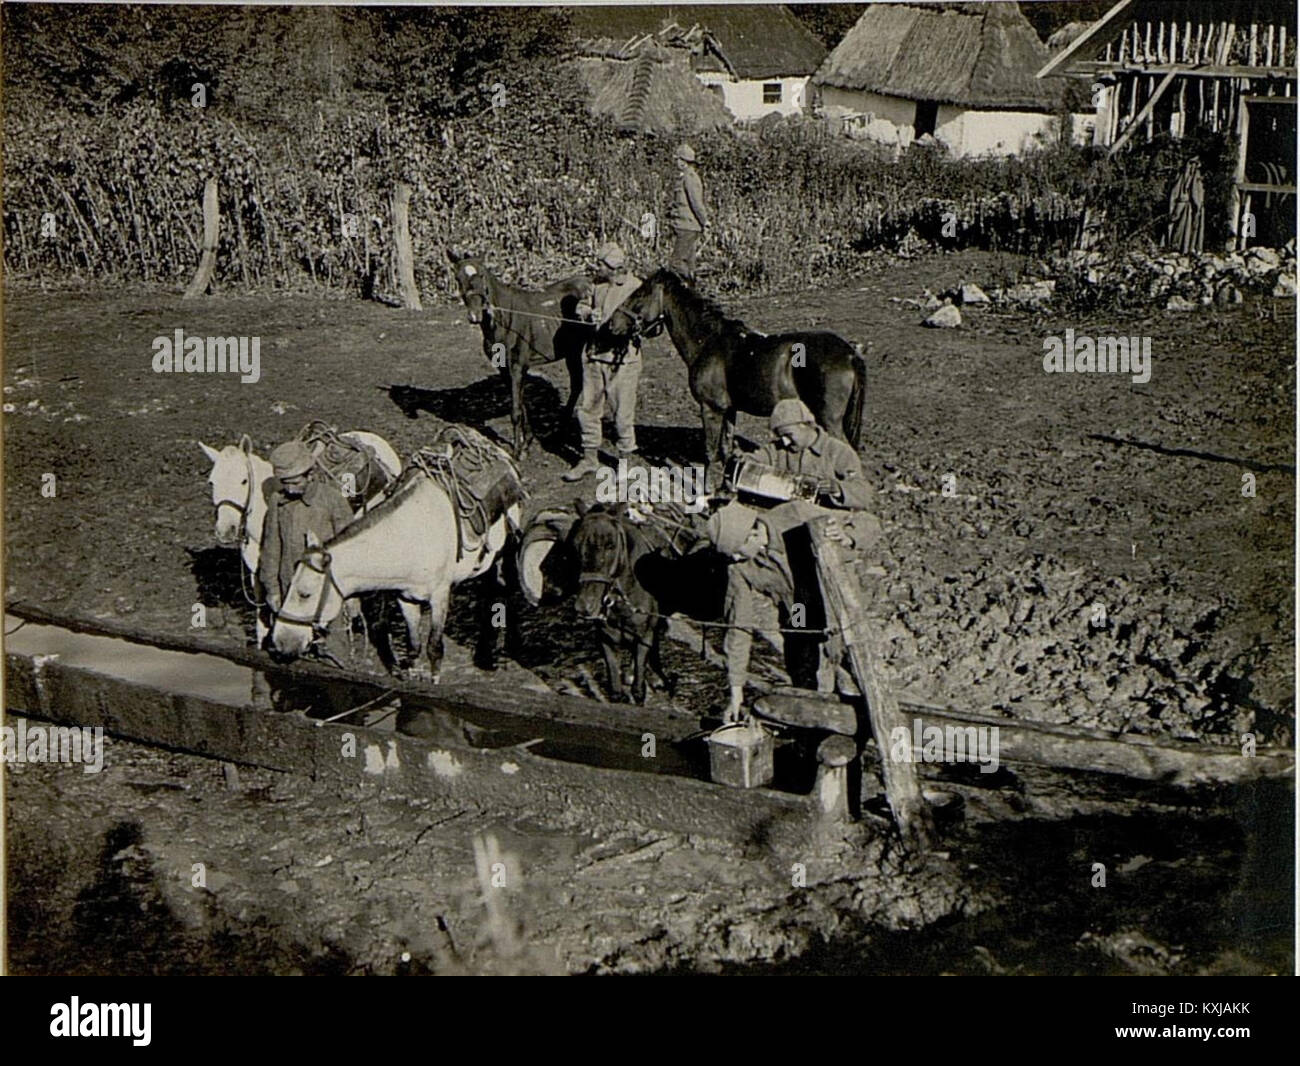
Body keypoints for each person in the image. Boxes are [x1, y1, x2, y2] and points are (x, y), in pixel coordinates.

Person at [563, 242, 643, 482]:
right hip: (593, 357)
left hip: (623, 362)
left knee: (622, 414)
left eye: (601, 263)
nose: (597, 267)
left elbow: (644, 322)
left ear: (613, 266)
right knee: (588, 410)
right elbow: (583, 305)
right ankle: (589, 459)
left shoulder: (636, 287)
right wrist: (587, 313)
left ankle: (625, 463)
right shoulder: (596, 285)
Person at [257, 440, 354, 624]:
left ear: (310, 474)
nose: (290, 489)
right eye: (285, 483)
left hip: (327, 592)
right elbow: (271, 550)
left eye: (295, 482)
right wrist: (273, 590)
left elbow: (350, 552)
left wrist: (352, 597)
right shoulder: (278, 501)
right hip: (290, 590)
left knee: (333, 647)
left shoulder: (332, 500)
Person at [752, 398, 873, 511]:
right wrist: (745, 460)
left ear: (805, 425)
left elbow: (864, 493)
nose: (785, 441)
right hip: (789, 516)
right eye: (781, 436)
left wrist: (838, 489)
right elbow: (755, 460)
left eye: (788, 435)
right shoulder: (779, 449)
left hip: (827, 519)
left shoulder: (838, 451)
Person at [667, 143, 707, 280]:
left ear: (684, 161)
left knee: (676, 262)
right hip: (686, 226)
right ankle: (693, 292)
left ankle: (691, 281)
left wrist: (705, 221)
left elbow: (696, 202)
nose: (676, 162)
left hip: (688, 227)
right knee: (689, 263)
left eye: (678, 159)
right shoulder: (684, 177)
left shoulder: (690, 178)